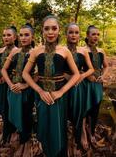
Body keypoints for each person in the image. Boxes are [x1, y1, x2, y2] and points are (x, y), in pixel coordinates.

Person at [22, 15, 80, 157]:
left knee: (58, 125)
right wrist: (40, 91)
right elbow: (25, 74)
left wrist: (61, 92)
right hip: (41, 94)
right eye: (46, 28)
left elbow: (76, 74)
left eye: (54, 28)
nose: (50, 32)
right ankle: (46, 151)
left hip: (59, 95)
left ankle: (60, 152)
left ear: (59, 30)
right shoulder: (36, 51)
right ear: (42, 31)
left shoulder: (64, 51)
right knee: (43, 124)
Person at [1, 24, 35, 156]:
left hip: (27, 91)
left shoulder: (35, 52)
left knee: (26, 114)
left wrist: (25, 85)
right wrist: (10, 85)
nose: (23, 38)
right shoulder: (15, 51)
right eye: (21, 35)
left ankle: (25, 141)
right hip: (12, 89)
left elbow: (37, 75)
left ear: (32, 37)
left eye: (27, 35)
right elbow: (4, 69)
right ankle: (12, 136)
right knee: (12, 113)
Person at [65, 23, 94, 156]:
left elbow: (91, 69)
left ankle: (80, 134)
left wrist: (82, 76)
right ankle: (65, 138)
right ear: (66, 34)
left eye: (76, 32)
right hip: (64, 86)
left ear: (80, 35)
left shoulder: (83, 51)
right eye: (71, 32)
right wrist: (66, 76)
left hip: (78, 87)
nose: (74, 35)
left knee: (79, 111)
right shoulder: (61, 49)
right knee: (66, 112)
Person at [0, 26, 18, 143]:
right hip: (0, 83)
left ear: (15, 37)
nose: (6, 37)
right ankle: (7, 129)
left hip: (12, 83)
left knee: (10, 107)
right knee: (2, 106)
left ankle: (9, 131)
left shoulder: (18, 51)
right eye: (4, 35)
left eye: (9, 35)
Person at [84, 25, 108, 147]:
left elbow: (106, 66)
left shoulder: (101, 51)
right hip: (85, 85)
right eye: (93, 34)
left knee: (96, 108)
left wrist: (103, 76)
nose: (96, 37)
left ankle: (92, 133)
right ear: (87, 35)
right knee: (85, 109)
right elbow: (76, 69)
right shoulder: (82, 50)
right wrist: (86, 75)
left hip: (98, 84)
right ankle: (83, 133)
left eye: (98, 34)